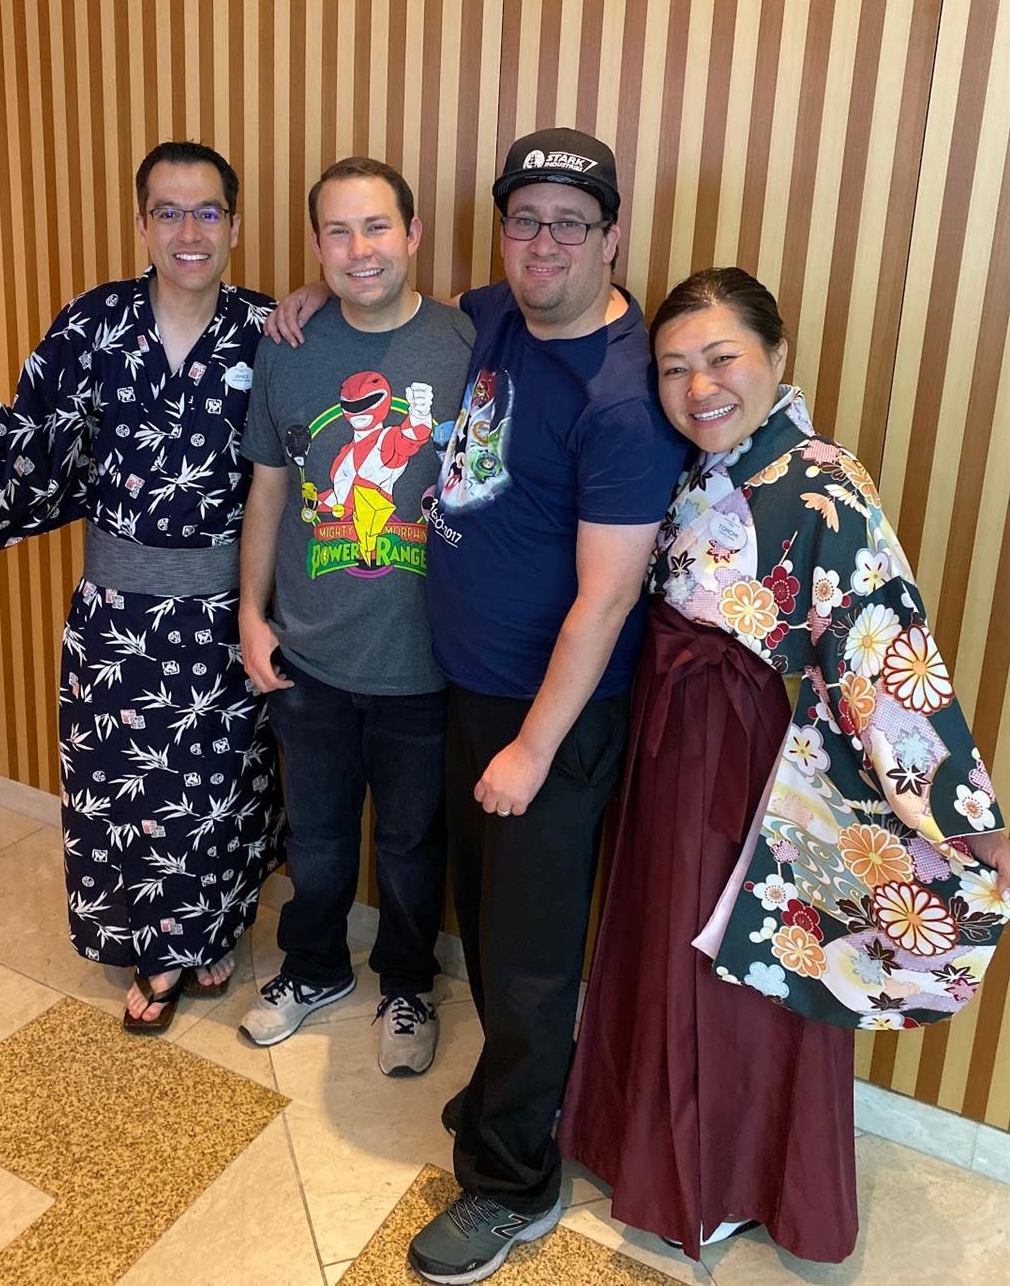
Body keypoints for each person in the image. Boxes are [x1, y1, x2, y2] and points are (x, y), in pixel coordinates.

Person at [268, 127, 687, 1280]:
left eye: (570, 225)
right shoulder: (493, 317)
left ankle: (513, 1182)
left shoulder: (624, 397)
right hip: (468, 684)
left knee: (534, 951)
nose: (543, 245)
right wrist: (311, 299)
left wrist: (535, 747)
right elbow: (388, 322)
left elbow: (606, 599)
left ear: (611, 237)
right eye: (524, 221)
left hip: (551, 711)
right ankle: (516, 1094)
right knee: (487, 917)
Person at [557, 267, 1010, 1263]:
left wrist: (963, 815)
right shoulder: (685, 466)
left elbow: (883, 647)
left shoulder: (824, 484)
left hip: (756, 753)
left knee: (746, 963)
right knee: (660, 939)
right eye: (674, 367)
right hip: (669, 729)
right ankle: (641, 1142)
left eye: (722, 358)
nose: (699, 386)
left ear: (776, 356)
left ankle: (730, 1177)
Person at [0, 141, 284, 1034]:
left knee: (219, 784)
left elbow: (300, 455)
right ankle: (157, 949)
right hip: (116, 616)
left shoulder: (270, 328)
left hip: (226, 612)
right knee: (126, 784)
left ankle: (207, 930)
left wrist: (316, 303)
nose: (188, 231)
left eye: (207, 211)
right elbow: (43, 437)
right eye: (168, 212)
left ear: (234, 225)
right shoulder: (93, 322)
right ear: (142, 224)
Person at [236, 157, 473, 1076]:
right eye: (337, 231)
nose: (358, 249)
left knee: (411, 844)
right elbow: (268, 489)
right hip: (311, 653)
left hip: (427, 661)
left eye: (376, 226)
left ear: (412, 234)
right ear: (315, 246)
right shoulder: (288, 344)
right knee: (319, 836)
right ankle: (313, 967)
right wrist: (250, 615)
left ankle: (407, 983)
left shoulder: (466, 340)